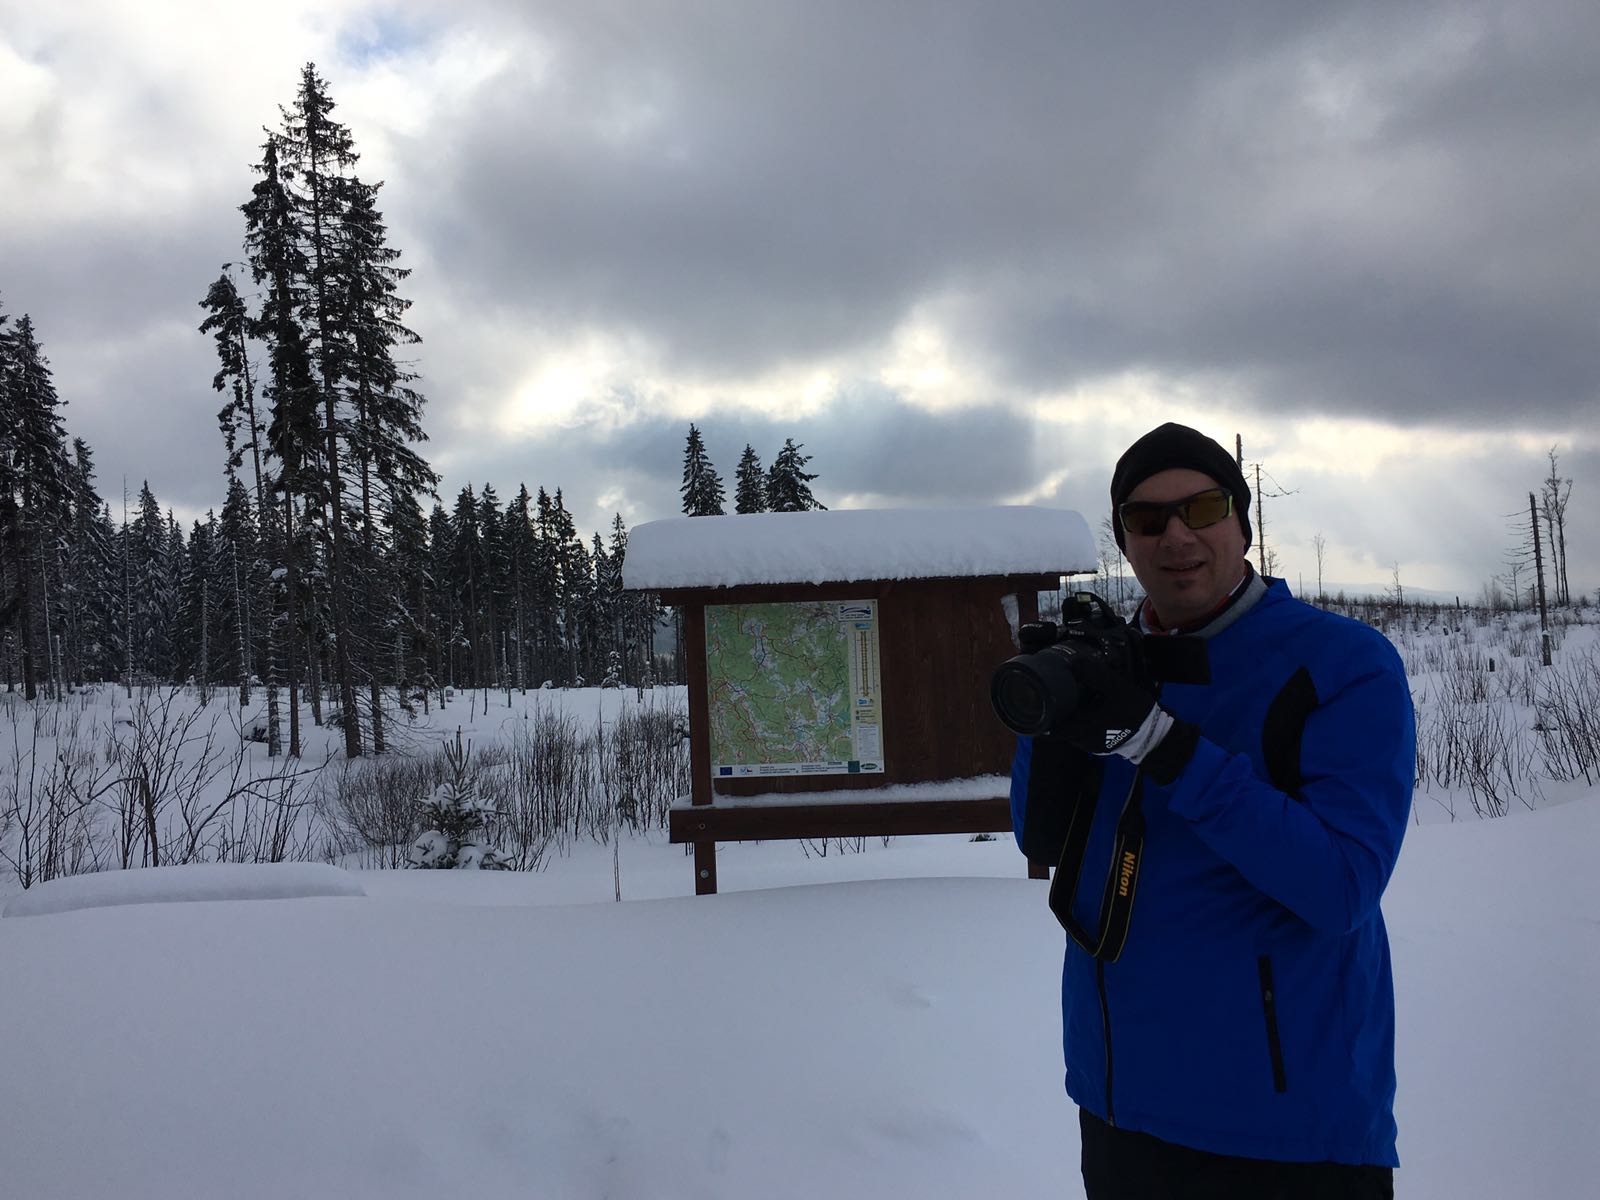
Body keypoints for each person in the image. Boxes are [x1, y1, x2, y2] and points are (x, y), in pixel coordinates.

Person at [1008, 423, 1414, 1199]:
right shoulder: (1109, 665)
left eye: (1201, 508)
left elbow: (1341, 888)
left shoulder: (1340, 664)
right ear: (1124, 542)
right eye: (1146, 518)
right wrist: (1053, 721)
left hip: (1287, 1130)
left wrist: (1166, 746)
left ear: (1242, 523)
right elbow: (1043, 838)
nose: (1175, 536)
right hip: (1121, 1108)